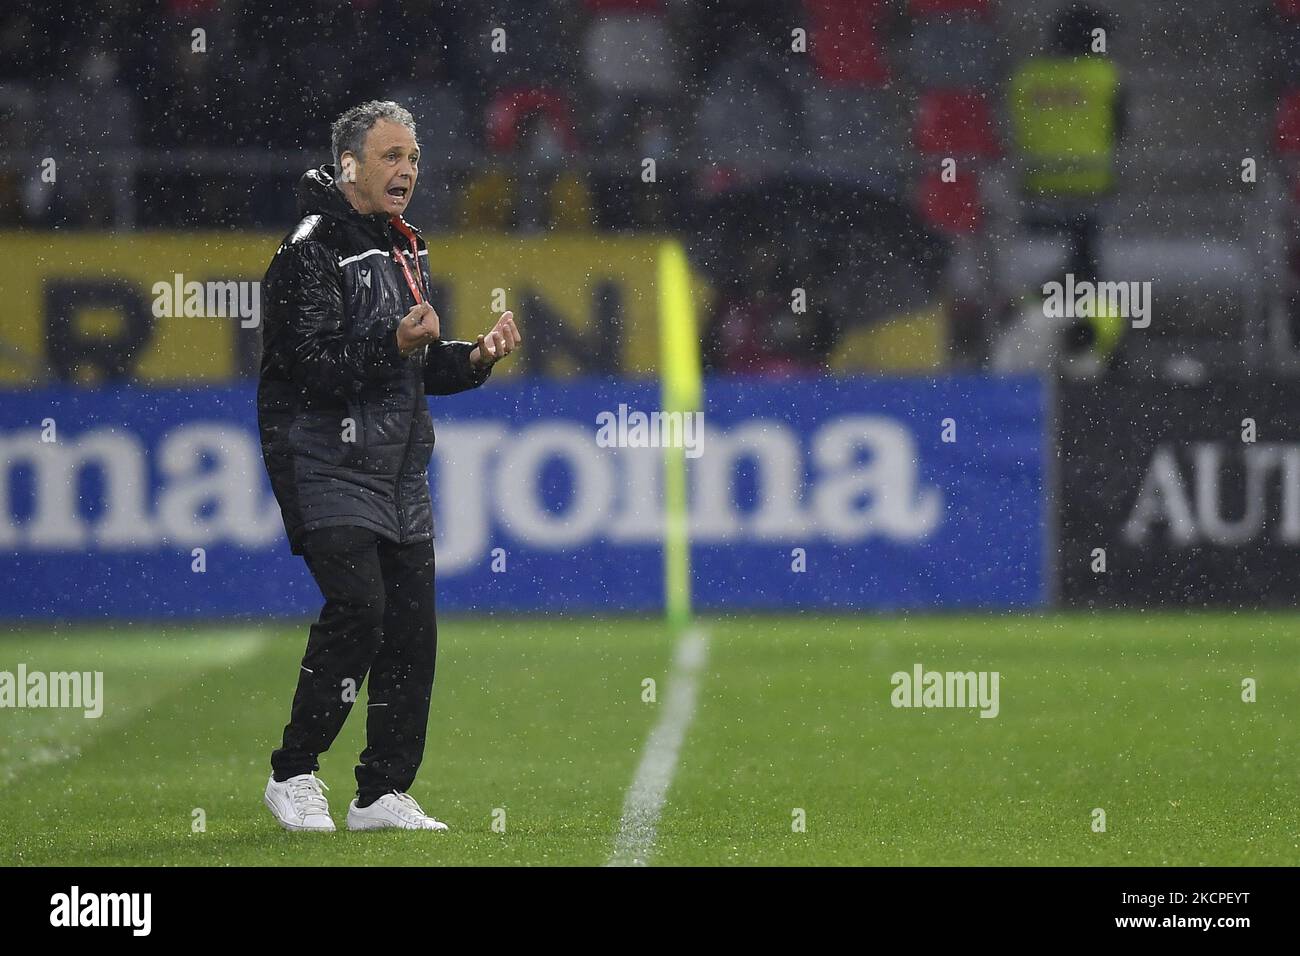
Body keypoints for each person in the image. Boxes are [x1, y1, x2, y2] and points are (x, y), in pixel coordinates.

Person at [256, 101, 521, 832]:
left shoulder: (407, 246)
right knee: (360, 612)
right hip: (322, 460)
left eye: (413, 156)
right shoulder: (307, 249)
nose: (406, 169)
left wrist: (471, 358)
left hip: (398, 468)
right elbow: (310, 367)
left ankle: (381, 793)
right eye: (390, 156)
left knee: (410, 630)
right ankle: (294, 772)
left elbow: (408, 363)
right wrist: (396, 348)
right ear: (349, 166)